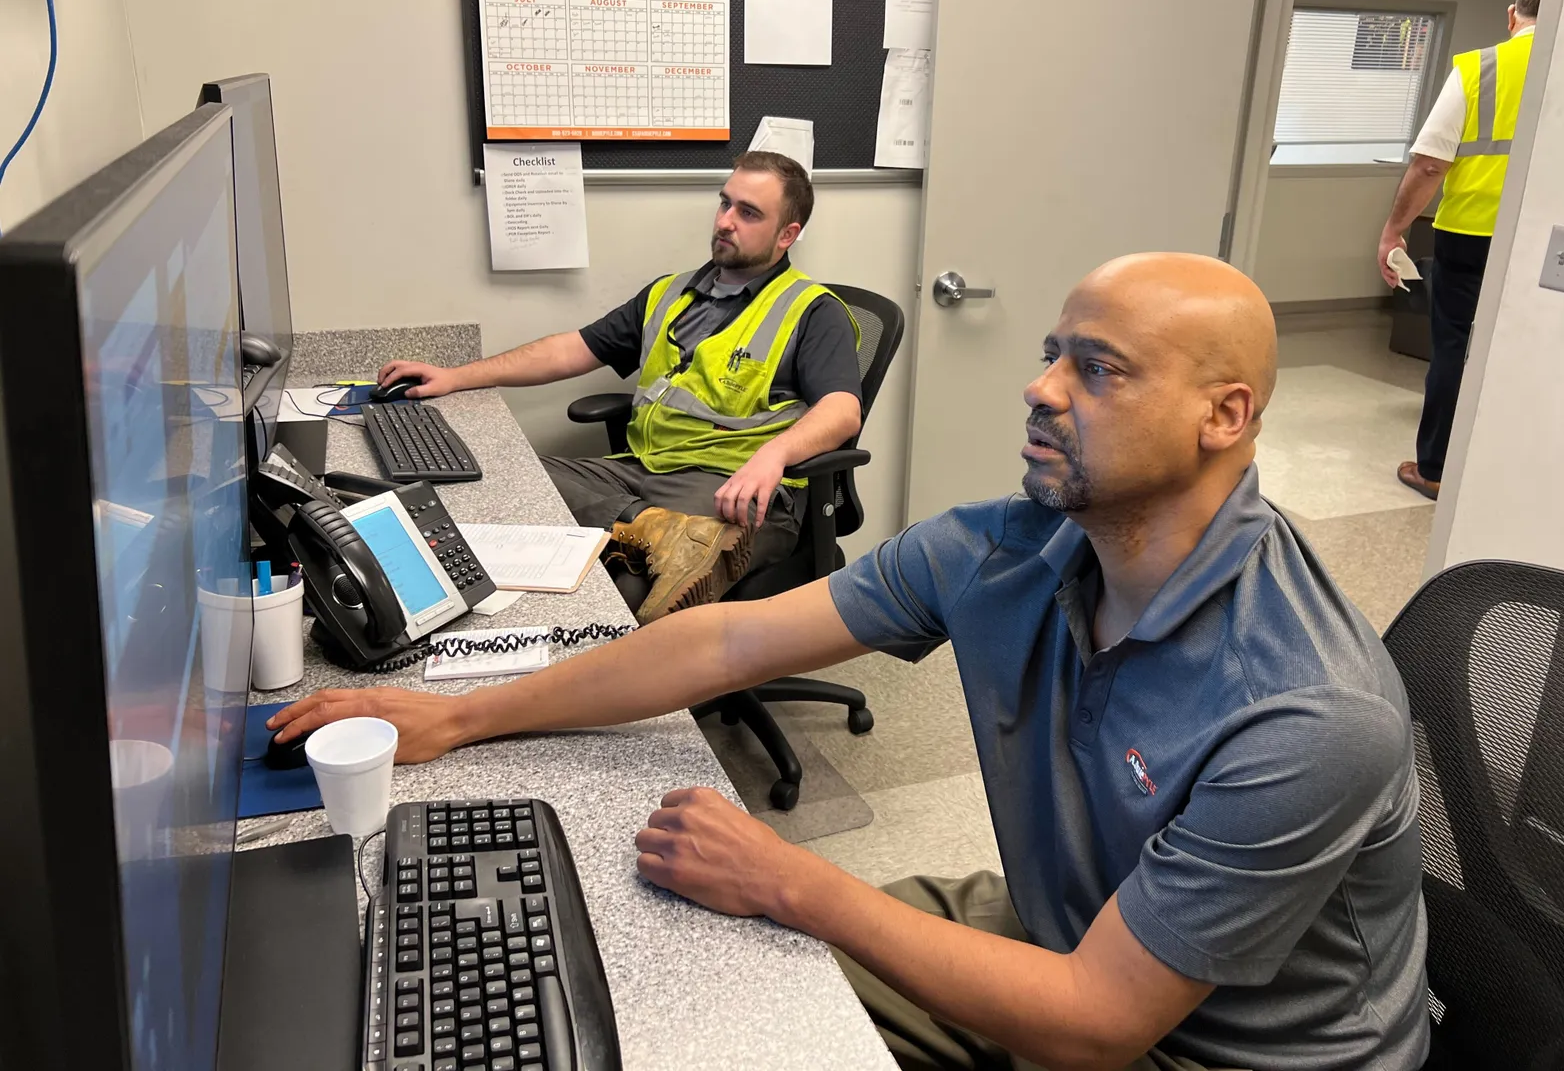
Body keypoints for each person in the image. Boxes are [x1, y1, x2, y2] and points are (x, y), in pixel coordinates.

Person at [272, 253, 1428, 1070]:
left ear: (1223, 416)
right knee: (700, 980)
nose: (1039, 388)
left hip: (1219, 1047)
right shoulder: (1007, 546)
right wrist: (461, 720)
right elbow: (726, 638)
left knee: (772, 922)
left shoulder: (1304, 709)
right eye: (1047, 357)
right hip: (1072, 931)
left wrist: (793, 880)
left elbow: (1094, 1024)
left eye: (1098, 369)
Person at [379, 150, 863, 622]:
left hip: (732, 493)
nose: (725, 221)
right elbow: (571, 349)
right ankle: (649, 527)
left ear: (787, 235)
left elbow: (842, 410)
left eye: (748, 212)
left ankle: (630, 681)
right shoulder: (670, 292)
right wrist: (456, 376)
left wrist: (772, 456)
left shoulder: (812, 311)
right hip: (639, 474)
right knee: (509, 480)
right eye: (724, 202)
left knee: (627, 584)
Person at [1378, 0, 1543, 500]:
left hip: (1470, 234)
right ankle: (1511, 471)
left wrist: (1393, 231)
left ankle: (1436, 469)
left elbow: (1429, 165)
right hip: (1551, 245)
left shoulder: (1481, 67)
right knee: (1530, 348)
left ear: (1512, 15)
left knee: (1454, 347)